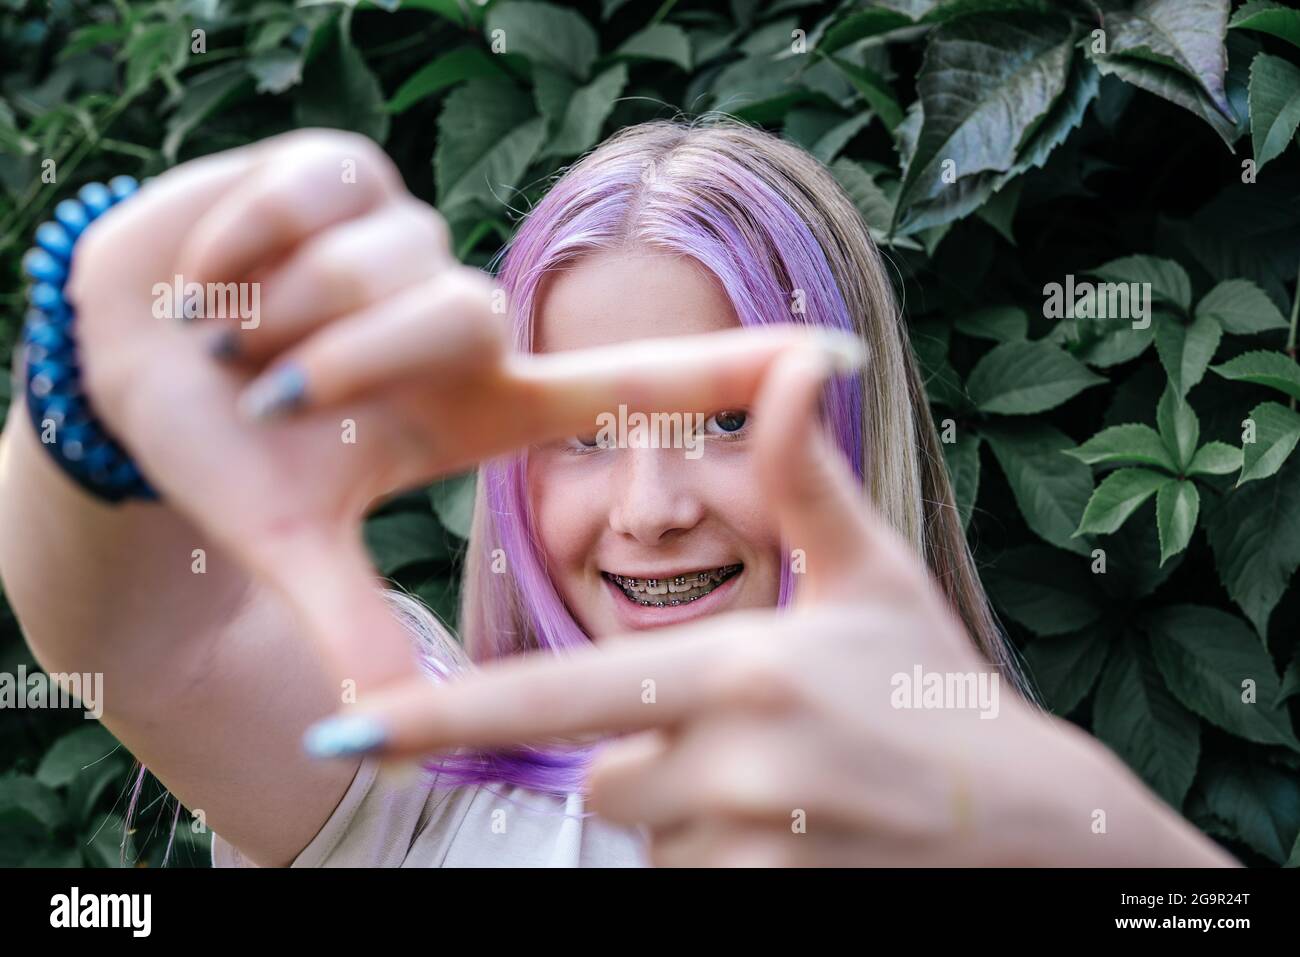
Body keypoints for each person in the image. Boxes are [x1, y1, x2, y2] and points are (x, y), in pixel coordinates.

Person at [0, 118, 1235, 867]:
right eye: (583, 431)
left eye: (724, 420)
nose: (649, 510)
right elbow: (160, 645)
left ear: (861, 436)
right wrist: (102, 354)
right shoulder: (417, 791)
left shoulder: (1005, 823)